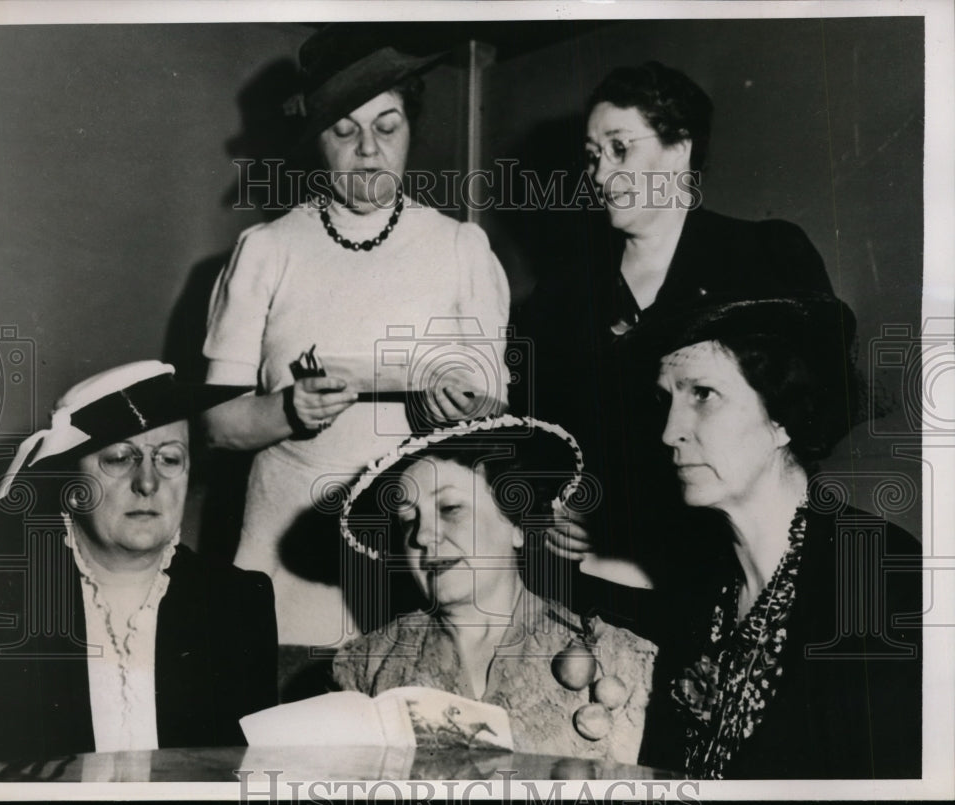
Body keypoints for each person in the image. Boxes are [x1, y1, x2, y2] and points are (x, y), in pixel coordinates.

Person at [201, 26, 510, 677]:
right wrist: (290, 410)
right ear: (316, 139)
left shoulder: (461, 249)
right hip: (286, 582)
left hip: (419, 575)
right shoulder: (266, 251)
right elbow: (218, 425)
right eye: (344, 130)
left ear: (411, 128)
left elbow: (496, 420)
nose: (368, 149)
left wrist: (459, 410)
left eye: (387, 126)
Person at [516, 62, 833, 580]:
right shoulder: (561, 294)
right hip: (598, 574)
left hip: (729, 563)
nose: (600, 175)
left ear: (680, 148)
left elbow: (815, 407)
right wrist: (548, 503)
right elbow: (533, 424)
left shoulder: (765, 257)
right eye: (593, 156)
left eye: (620, 149)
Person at [612, 293, 922, 778]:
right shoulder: (705, 587)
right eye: (665, 400)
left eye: (703, 395)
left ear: (782, 417)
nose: (670, 432)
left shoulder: (880, 577)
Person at [0, 361, 278, 763]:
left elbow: (248, 775)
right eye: (121, 458)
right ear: (70, 485)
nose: (148, 482)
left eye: (170, 458)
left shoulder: (238, 601)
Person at [332, 415, 658, 764]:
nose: (423, 536)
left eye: (450, 508)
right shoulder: (365, 666)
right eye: (409, 521)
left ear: (517, 525)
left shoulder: (621, 658)